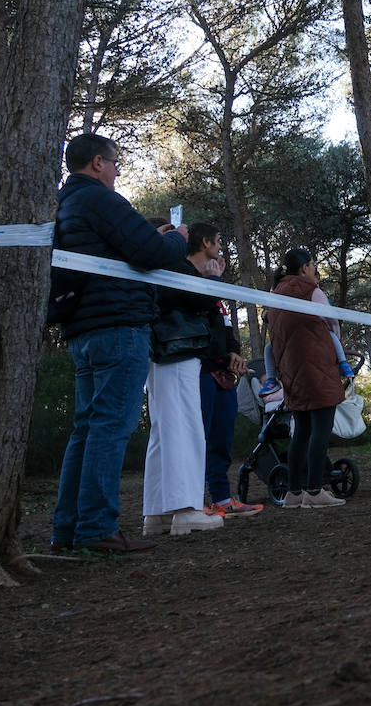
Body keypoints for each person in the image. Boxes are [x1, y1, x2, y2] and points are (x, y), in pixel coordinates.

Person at [49, 133, 189, 554]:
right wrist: (178, 239)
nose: (116, 171)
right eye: (114, 163)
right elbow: (149, 251)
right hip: (118, 325)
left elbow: (123, 247)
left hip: (84, 329)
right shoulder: (101, 200)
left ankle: (68, 530)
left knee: (86, 429)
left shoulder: (66, 204)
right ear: (96, 163)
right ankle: (96, 529)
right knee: (109, 427)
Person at [141, 217, 224, 538]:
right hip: (175, 349)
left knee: (163, 430)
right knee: (185, 427)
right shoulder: (170, 262)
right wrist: (213, 281)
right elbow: (195, 299)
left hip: (163, 351)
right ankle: (186, 509)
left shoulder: (158, 264)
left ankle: (158, 512)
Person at [186, 222, 259, 518]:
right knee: (195, 438)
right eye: (218, 241)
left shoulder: (214, 283)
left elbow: (224, 327)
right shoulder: (185, 276)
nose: (220, 248)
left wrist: (234, 355)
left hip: (222, 374)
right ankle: (190, 502)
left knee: (221, 439)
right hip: (198, 371)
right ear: (206, 243)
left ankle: (221, 499)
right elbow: (192, 322)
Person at [269, 247, 346, 508]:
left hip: (291, 372)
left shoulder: (275, 295)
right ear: (304, 268)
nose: (315, 270)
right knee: (320, 432)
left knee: (301, 431)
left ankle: (293, 493)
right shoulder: (312, 292)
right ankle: (314, 492)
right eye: (313, 265)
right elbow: (332, 324)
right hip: (319, 368)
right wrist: (339, 351)